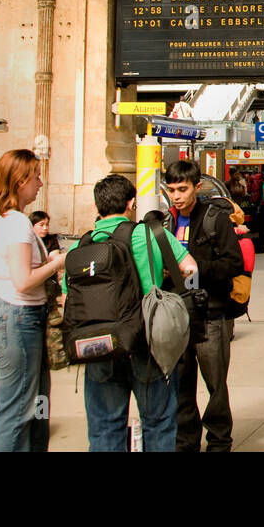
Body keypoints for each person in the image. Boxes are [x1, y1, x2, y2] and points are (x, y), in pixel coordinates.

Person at [75, 174, 198, 452]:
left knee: (105, 427)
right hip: (146, 343)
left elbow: (69, 297)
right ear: (131, 203)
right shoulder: (150, 234)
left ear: (98, 207)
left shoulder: (81, 245)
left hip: (100, 346)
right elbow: (191, 269)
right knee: (158, 424)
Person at [0, 148, 63, 452]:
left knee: (36, 403)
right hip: (18, 318)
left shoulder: (3, 219)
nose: (40, 183)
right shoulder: (16, 223)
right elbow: (22, 281)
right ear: (19, 180)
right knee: (18, 410)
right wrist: (57, 263)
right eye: (36, 176)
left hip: (16, 317)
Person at [162, 159, 244, 452]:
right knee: (182, 386)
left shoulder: (215, 219)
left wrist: (198, 268)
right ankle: (186, 442)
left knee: (215, 386)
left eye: (182, 189)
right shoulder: (166, 223)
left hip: (211, 313)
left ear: (197, 186)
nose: (177, 196)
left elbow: (234, 263)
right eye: (171, 190)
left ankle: (219, 442)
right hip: (178, 315)